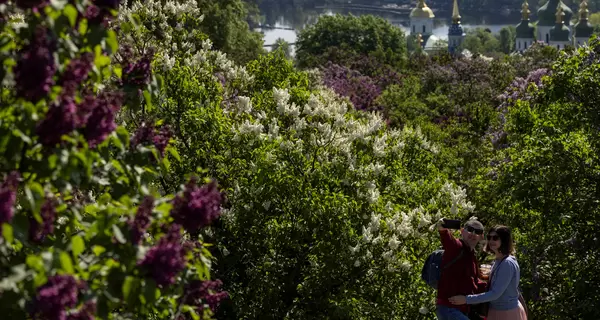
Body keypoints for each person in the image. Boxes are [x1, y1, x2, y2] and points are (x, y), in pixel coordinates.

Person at [448, 226, 527, 320]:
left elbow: (495, 294)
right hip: (496, 311)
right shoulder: (498, 260)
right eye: (489, 237)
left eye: (495, 238)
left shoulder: (507, 263)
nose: (491, 240)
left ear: (504, 240)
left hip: (507, 312)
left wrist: (466, 299)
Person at [435, 218, 486, 320]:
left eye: (477, 232)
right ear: (462, 231)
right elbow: (448, 240)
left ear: (481, 236)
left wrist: (495, 288)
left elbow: (474, 283)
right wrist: (442, 228)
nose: (473, 234)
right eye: (470, 229)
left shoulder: (472, 255)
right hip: (449, 309)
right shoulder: (457, 247)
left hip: (462, 310)